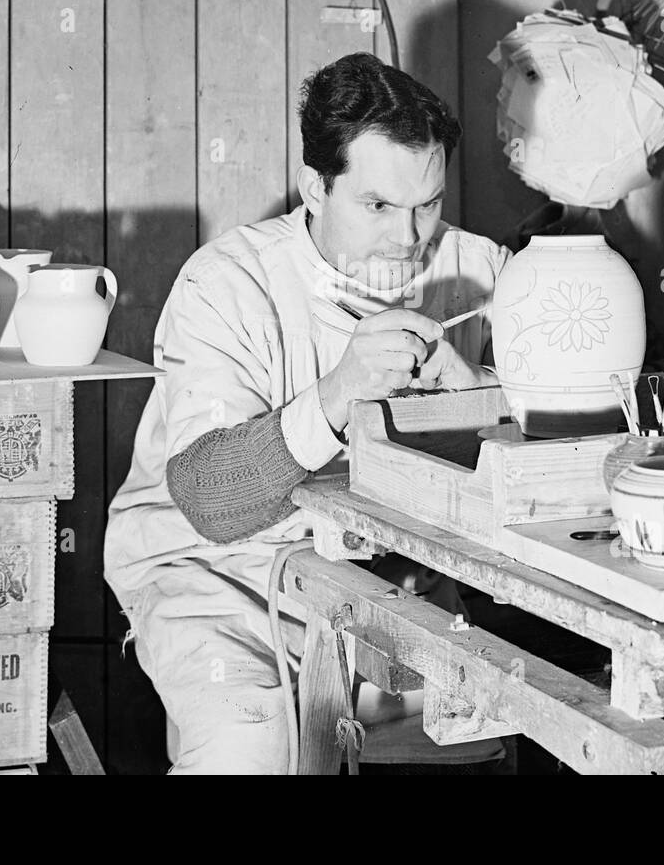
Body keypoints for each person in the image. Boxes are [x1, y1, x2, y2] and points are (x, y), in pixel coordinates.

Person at [104, 52, 511, 774]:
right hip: (217, 576)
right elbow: (209, 501)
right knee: (252, 745)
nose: (410, 236)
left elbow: (568, 432)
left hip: (382, 580)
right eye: (379, 206)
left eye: (428, 203)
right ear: (315, 187)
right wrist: (335, 394)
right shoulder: (227, 282)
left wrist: (481, 394)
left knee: (473, 738)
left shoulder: (477, 271)